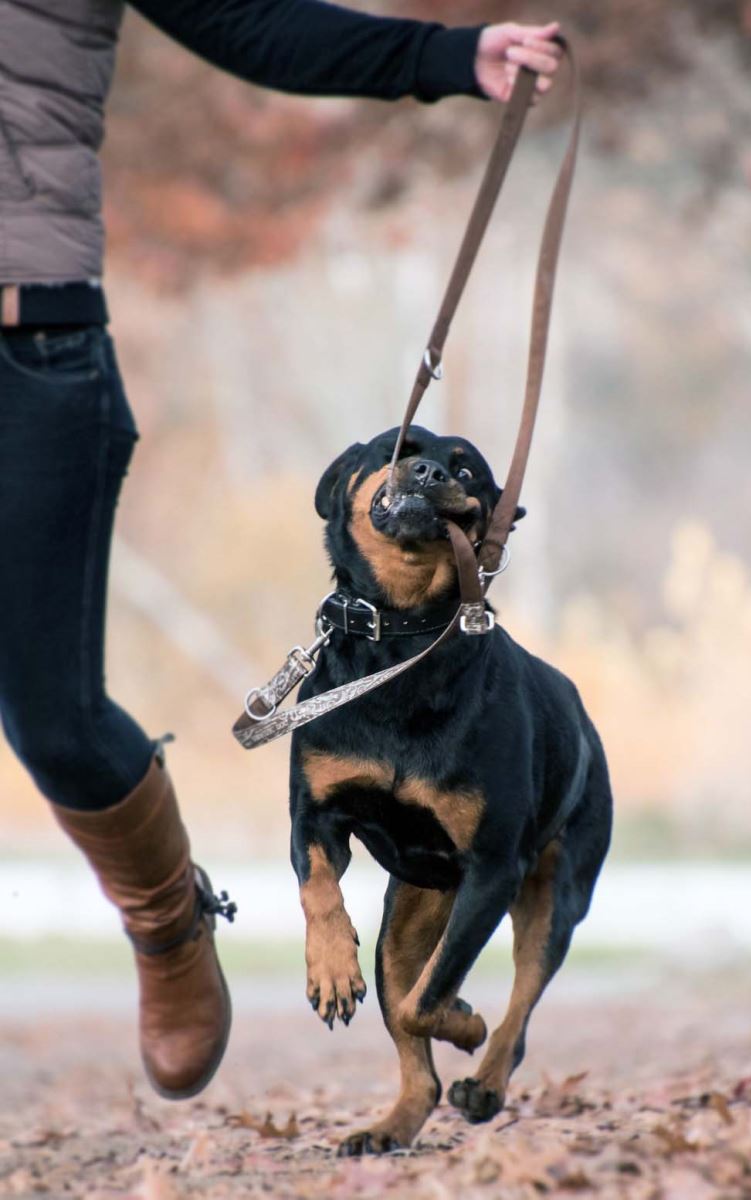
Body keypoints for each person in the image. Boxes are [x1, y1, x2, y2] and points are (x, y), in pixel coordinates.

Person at [0, 1, 563, 1101]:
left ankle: (168, 923)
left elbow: (245, 21)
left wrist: (441, 53)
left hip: (33, 349)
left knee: (54, 721)